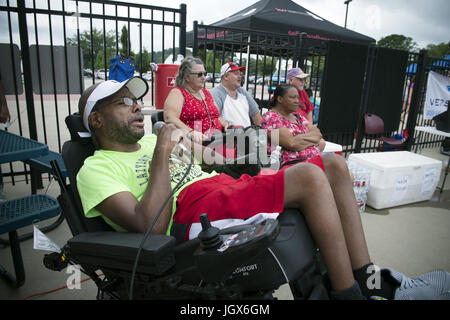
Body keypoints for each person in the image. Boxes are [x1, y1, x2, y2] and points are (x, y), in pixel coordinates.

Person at [76, 76, 450, 300]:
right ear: (96, 119)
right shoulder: (95, 169)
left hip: (221, 187)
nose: (138, 107)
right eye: (123, 103)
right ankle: (349, 295)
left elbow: (214, 156)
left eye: (137, 100)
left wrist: (273, 138)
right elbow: (150, 227)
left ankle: (369, 279)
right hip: (191, 214)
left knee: (334, 165)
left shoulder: (154, 139)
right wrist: (161, 151)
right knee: (308, 178)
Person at [164, 56, 230, 144]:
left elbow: (216, 116)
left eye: (204, 74)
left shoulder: (206, 93)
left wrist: (225, 125)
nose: (203, 77)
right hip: (196, 144)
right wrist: (191, 132)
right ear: (187, 77)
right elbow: (170, 118)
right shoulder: (178, 93)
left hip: (218, 139)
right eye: (199, 74)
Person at [261, 85, 326, 166]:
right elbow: (292, 143)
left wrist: (299, 140)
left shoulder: (297, 116)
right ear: (280, 99)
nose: (297, 101)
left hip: (310, 162)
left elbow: (318, 134)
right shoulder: (270, 117)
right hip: (291, 166)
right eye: (292, 97)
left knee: (335, 160)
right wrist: (312, 141)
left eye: (297, 97)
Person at [210, 62, 261, 127]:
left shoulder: (243, 92)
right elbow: (214, 117)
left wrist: (259, 132)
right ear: (226, 76)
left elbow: (255, 113)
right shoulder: (216, 93)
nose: (240, 76)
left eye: (240, 74)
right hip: (227, 135)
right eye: (236, 74)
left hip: (248, 134)